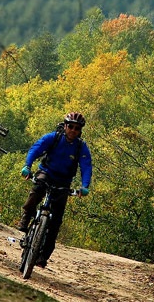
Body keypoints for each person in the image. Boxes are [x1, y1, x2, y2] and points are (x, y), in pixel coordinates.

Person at [18, 112, 92, 268]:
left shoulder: (80, 147)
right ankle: (26, 216)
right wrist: (27, 166)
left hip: (64, 181)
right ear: (65, 126)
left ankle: (43, 256)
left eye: (77, 128)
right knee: (37, 190)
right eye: (70, 126)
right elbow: (35, 149)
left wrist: (85, 186)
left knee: (56, 220)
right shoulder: (53, 138)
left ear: (80, 131)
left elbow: (86, 166)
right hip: (46, 172)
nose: (73, 130)